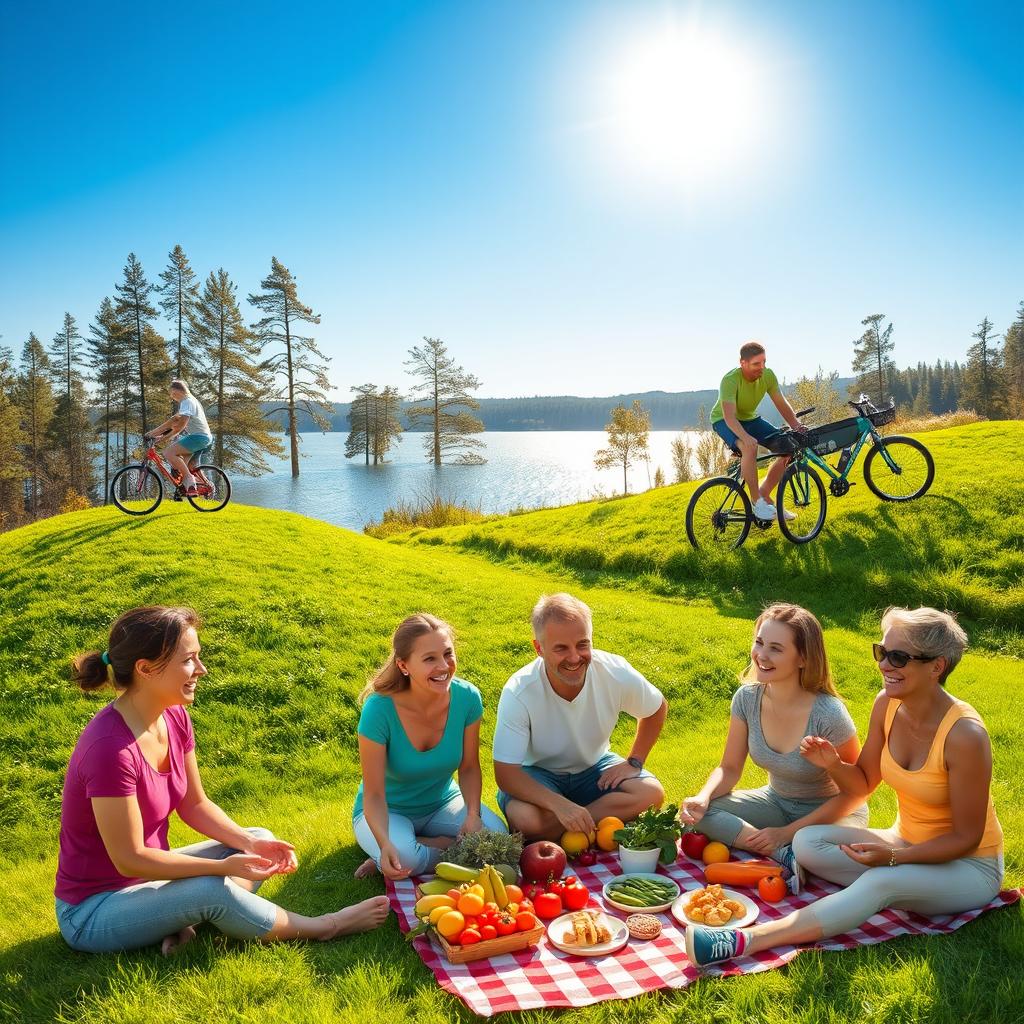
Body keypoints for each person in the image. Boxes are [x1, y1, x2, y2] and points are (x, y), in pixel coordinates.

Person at [55, 606, 389, 955]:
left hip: (150, 882)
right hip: (94, 910)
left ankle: (182, 921)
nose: (201, 670)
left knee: (257, 838)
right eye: (189, 660)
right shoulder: (110, 749)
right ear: (145, 668)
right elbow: (130, 859)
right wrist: (219, 868)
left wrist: (248, 844)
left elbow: (194, 804)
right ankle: (325, 926)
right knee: (211, 889)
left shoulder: (174, 717)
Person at [686, 607, 1004, 969]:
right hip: (904, 841)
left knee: (881, 884)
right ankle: (889, 891)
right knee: (806, 843)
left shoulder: (965, 735)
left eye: (898, 656)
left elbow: (966, 837)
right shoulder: (886, 705)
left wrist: (894, 860)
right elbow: (865, 782)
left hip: (968, 867)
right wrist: (833, 764)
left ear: (937, 666)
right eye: (881, 652)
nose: (884, 665)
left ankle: (743, 940)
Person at [679, 603, 868, 893]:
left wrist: (786, 833)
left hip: (831, 812)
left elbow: (856, 792)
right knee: (702, 814)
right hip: (776, 802)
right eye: (759, 642)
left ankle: (795, 849)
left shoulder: (829, 713)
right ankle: (781, 855)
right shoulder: (747, 699)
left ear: (803, 658)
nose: (761, 655)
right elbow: (728, 769)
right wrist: (703, 797)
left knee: (819, 851)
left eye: (776, 648)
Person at [493, 593, 668, 841]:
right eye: (561, 648)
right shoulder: (519, 691)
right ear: (539, 648)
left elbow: (656, 708)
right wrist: (558, 804)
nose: (575, 657)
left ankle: (570, 824)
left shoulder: (614, 672)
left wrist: (634, 761)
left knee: (651, 794)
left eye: (582, 644)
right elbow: (506, 774)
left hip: (594, 768)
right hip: (537, 774)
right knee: (527, 820)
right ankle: (589, 823)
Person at [352, 614, 506, 880]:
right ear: (404, 665)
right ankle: (406, 849)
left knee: (498, 842)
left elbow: (469, 766)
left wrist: (472, 814)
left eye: (448, 654)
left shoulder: (467, 698)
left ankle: (412, 850)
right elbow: (374, 794)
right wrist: (386, 842)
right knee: (403, 858)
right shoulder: (379, 709)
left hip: (442, 802)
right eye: (430, 658)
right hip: (388, 810)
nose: (444, 666)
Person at [710, 341, 805, 521]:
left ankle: (766, 495)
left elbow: (781, 403)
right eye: (756, 364)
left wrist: (797, 426)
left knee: (788, 449)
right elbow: (729, 417)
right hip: (723, 420)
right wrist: (746, 438)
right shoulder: (730, 380)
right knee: (749, 448)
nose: (761, 368)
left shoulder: (768, 376)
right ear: (742, 363)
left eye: (764, 362)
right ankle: (757, 502)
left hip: (751, 419)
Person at [146, 380, 214, 498]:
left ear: (177, 390)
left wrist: (156, 436)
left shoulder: (186, 401)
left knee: (168, 452)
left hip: (198, 437)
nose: (172, 397)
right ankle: (199, 487)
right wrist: (160, 436)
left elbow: (180, 425)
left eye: (172, 393)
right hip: (205, 437)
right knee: (184, 467)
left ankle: (190, 482)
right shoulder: (191, 400)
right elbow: (174, 422)